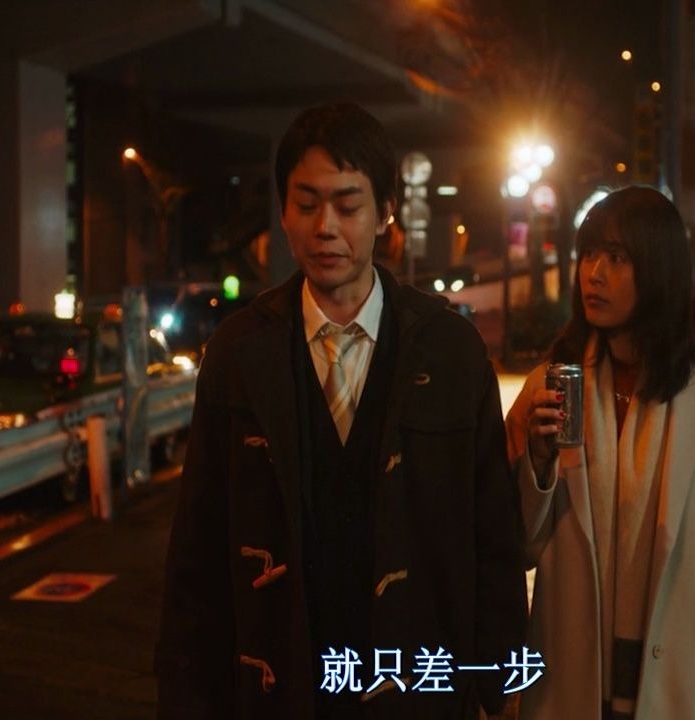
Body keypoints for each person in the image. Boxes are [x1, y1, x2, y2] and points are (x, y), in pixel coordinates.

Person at [156, 101, 528, 720]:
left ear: (386, 211)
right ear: (283, 212)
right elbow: (198, 546)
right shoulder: (239, 353)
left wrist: (500, 687)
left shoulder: (451, 352)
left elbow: (493, 536)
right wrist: (186, 695)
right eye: (306, 204)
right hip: (279, 689)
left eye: (348, 206)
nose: (325, 227)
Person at [505, 186, 695, 720]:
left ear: (659, 271)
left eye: (617, 257)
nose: (594, 274)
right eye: (589, 255)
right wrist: (536, 461)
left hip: (676, 689)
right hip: (567, 686)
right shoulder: (550, 387)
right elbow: (512, 546)